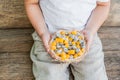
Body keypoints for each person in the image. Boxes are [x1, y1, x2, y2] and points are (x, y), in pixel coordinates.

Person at [24, 0, 110, 80]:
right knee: (50, 76)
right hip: (48, 37)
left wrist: (90, 30)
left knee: (94, 76)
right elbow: (31, 3)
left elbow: (103, 5)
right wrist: (43, 32)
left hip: (86, 38)